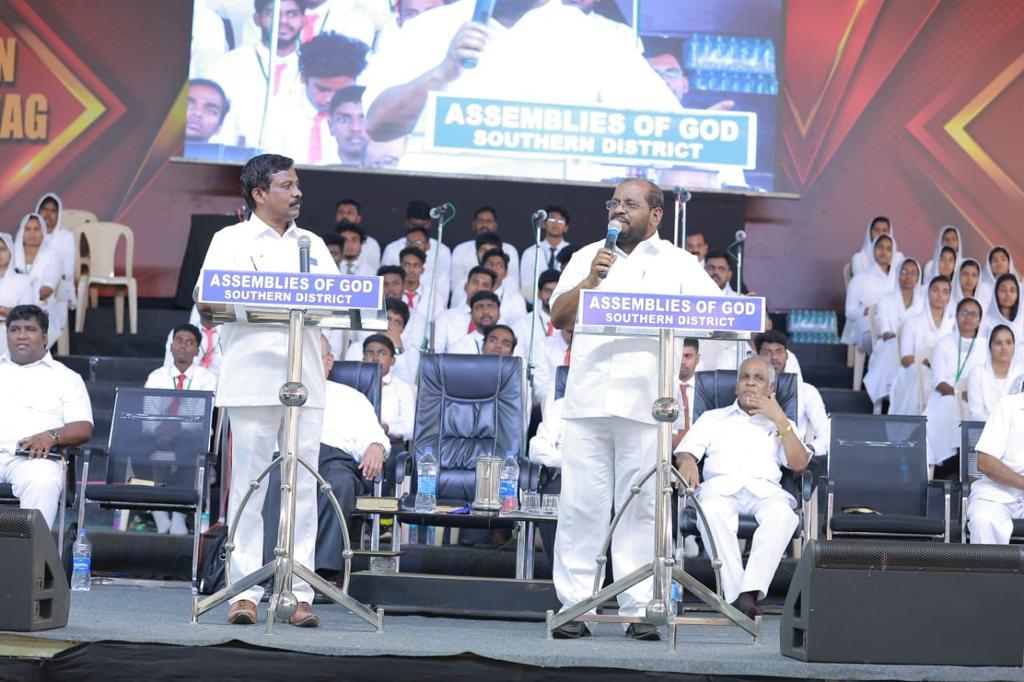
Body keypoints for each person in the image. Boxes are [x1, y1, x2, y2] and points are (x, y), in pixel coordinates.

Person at [549, 178, 719, 641]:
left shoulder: (678, 262)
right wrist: (590, 281)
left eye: (630, 203)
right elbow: (559, 316)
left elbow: (719, 315)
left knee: (642, 509)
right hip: (587, 402)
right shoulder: (588, 256)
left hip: (647, 405)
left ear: (656, 214)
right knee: (580, 507)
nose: (619, 210)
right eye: (614, 203)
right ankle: (575, 607)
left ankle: (640, 609)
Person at [196, 154, 337, 627]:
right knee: (249, 488)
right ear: (259, 193)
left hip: (305, 378)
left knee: (303, 486)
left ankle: (299, 592)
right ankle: (243, 593)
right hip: (252, 378)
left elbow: (340, 302)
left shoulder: (312, 244)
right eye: (286, 185)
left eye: (297, 185)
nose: (297, 193)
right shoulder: (229, 240)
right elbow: (206, 299)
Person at [360, 0, 683, 178]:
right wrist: (442, 72)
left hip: (559, 208)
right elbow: (378, 125)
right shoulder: (427, 27)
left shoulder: (598, 36)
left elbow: (670, 133)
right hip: (443, 202)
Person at [675, 357, 808, 619]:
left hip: (765, 492)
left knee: (783, 516)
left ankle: (748, 591)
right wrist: (688, 461)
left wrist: (780, 419)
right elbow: (686, 452)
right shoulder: (713, 418)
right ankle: (739, 596)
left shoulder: (781, 424)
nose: (750, 383)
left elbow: (799, 463)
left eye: (759, 378)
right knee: (711, 511)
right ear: (736, 386)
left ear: (771, 389)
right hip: (719, 489)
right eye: (744, 377)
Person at [0, 305, 93, 528]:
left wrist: (51, 436)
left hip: (31, 460)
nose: (21, 335)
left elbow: (83, 427)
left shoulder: (66, 377)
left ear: (45, 337)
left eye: (30, 329)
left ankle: (29, 550)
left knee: (43, 480)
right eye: (15, 329)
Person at [315, 336, 390, 577]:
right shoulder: (282, 394)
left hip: (334, 460)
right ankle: (270, 570)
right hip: (288, 458)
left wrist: (376, 447)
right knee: (274, 481)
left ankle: (323, 573)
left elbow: (374, 436)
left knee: (339, 483)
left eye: (315, 356)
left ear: (329, 361)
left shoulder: (351, 397)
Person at [145, 323, 218, 535]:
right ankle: (157, 511)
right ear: (171, 346)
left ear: (197, 351)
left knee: (191, 445)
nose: (183, 346)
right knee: (135, 444)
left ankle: (179, 514)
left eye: (190, 342)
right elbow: (148, 416)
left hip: (190, 435)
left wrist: (176, 427)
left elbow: (201, 419)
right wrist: (161, 430)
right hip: (159, 434)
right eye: (179, 341)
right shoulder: (156, 377)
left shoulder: (208, 379)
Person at [207, 0, 307, 148]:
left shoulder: (316, 67)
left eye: (292, 14)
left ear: (304, 20)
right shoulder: (227, 65)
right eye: (272, 13)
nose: (283, 21)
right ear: (257, 19)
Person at [275, 32, 369, 165]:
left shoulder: (372, 112)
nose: (330, 99)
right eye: (323, 90)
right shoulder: (277, 112)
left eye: (341, 90)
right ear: (303, 77)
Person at [924, 297, 987, 474]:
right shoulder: (944, 343)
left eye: (973, 314)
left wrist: (972, 395)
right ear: (957, 316)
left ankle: (975, 469)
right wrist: (959, 394)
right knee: (946, 408)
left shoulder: (985, 345)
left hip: (976, 398)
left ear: (979, 320)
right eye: (964, 313)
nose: (968, 317)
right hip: (947, 395)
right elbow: (938, 380)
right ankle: (943, 467)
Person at [755, 331, 830, 456]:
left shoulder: (807, 392)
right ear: (758, 356)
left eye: (779, 352)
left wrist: (809, 450)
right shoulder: (750, 391)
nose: (774, 357)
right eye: (767, 352)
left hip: (794, 458)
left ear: (787, 356)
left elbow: (826, 433)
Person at [863, 257, 924, 411]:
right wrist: (892, 335)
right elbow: (885, 329)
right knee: (893, 348)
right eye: (904, 272)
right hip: (889, 343)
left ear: (918, 277)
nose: (908, 277)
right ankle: (884, 395)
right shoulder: (886, 299)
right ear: (897, 274)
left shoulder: (923, 302)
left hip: (914, 347)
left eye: (913, 273)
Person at [888, 276, 954, 415]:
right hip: (916, 370)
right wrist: (927, 362)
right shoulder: (912, 323)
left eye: (945, 292)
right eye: (936, 290)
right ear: (928, 293)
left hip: (946, 372)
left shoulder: (954, 325)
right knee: (922, 375)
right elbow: (905, 359)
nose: (940, 295)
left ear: (949, 297)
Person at [967, 385, 1024, 544]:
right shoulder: (1007, 405)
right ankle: (989, 562)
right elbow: (985, 462)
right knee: (983, 520)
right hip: (997, 494)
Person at [13, 213, 65, 348]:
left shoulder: (52, 255)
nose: (32, 233)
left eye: (36, 229)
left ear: (43, 233)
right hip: (11, 306)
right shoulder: (11, 254)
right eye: (27, 229)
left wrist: (23, 301)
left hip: (41, 306)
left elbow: (47, 289)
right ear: (22, 232)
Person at [450, 207, 522, 305]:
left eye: (488, 221)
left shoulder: (510, 284)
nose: (484, 224)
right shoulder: (463, 282)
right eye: (480, 221)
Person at [842, 234, 896, 352]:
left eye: (888, 249)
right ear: (873, 250)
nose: (884, 252)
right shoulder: (859, 279)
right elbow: (849, 312)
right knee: (870, 330)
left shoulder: (898, 280)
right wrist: (865, 311)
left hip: (894, 323)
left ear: (893, 253)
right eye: (880, 247)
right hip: (868, 324)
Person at [361, 334, 416, 445]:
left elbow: (410, 428)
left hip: (391, 443)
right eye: (370, 353)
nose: (375, 358)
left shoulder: (402, 388)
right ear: (363, 359)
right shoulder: (354, 386)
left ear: (392, 360)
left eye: (382, 353)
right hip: (356, 444)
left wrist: (387, 428)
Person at [433, 266, 497, 352]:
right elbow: (435, 353)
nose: (479, 288)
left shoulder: (497, 322)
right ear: (465, 286)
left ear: (491, 292)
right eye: (475, 282)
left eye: (485, 285)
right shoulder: (446, 317)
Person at [967, 325, 1022, 421]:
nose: (1004, 347)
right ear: (989, 347)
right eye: (998, 343)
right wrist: (998, 424)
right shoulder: (977, 373)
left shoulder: (1021, 373)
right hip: (984, 427)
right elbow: (975, 413)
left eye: (1009, 342)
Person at [34, 194, 76, 312]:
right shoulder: (29, 235)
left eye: (53, 211)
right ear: (38, 211)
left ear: (59, 214)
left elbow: (67, 272)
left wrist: (49, 280)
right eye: (45, 209)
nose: (48, 214)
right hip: (32, 286)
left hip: (57, 287)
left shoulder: (66, 236)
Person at [519, 206, 571, 296]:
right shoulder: (531, 252)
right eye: (552, 219)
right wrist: (543, 299)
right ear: (543, 224)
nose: (555, 223)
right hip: (537, 302)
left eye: (560, 220)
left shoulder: (573, 253)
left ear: (566, 227)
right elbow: (526, 287)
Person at [0, 233, 36, 358]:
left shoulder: (23, 282)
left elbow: (27, 316)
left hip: (11, 334)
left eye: (2, 249)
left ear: (10, 252)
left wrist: (2, 310)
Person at [481, 248, 527, 324]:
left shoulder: (515, 300)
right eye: (489, 265)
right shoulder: (471, 296)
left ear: (505, 273)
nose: (493, 269)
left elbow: (518, 327)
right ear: (482, 269)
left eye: (499, 266)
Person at [326, 86, 369, 166]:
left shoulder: (393, 170)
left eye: (364, 119)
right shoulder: (311, 170)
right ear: (331, 126)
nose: (355, 128)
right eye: (344, 120)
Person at [334, 198, 381, 271]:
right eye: (341, 212)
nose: (344, 216)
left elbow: (374, 273)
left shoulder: (371, 244)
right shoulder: (325, 242)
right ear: (336, 217)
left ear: (358, 219)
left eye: (350, 213)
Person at [981, 274, 1023, 341]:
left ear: (1018, 295)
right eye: (1003, 290)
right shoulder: (985, 322)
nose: (1008, 294)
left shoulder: (1022, 320)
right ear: (995, 293)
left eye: (1012, 291)